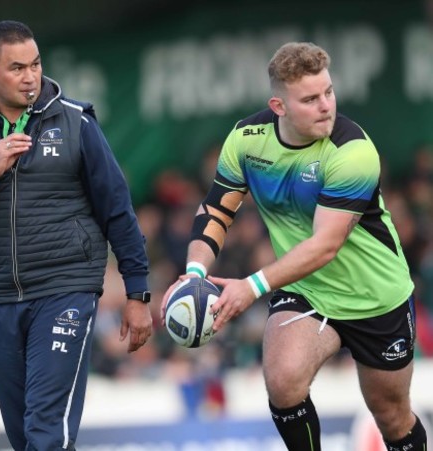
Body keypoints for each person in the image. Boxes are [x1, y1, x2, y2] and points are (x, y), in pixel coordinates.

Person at [162, 42, 428, 450]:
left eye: (328, 92)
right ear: (278, 105)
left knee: (392, 417)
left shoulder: (353, 151)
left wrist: (249, 287)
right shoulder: (247, 140)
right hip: (306, 288)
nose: (325, 106)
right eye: (309, 99)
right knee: (283, 381)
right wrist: (195, 273)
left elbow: (325, 246)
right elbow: (217, 209)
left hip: (376, 297)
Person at [0, 20, 152, 450]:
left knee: (46, 432)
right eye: (16, 68)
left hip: (65, 289)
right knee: (22, 435)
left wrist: (138, 294)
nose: (31, 77)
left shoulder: (76, 122)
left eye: (36, 64)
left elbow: (117, 210)